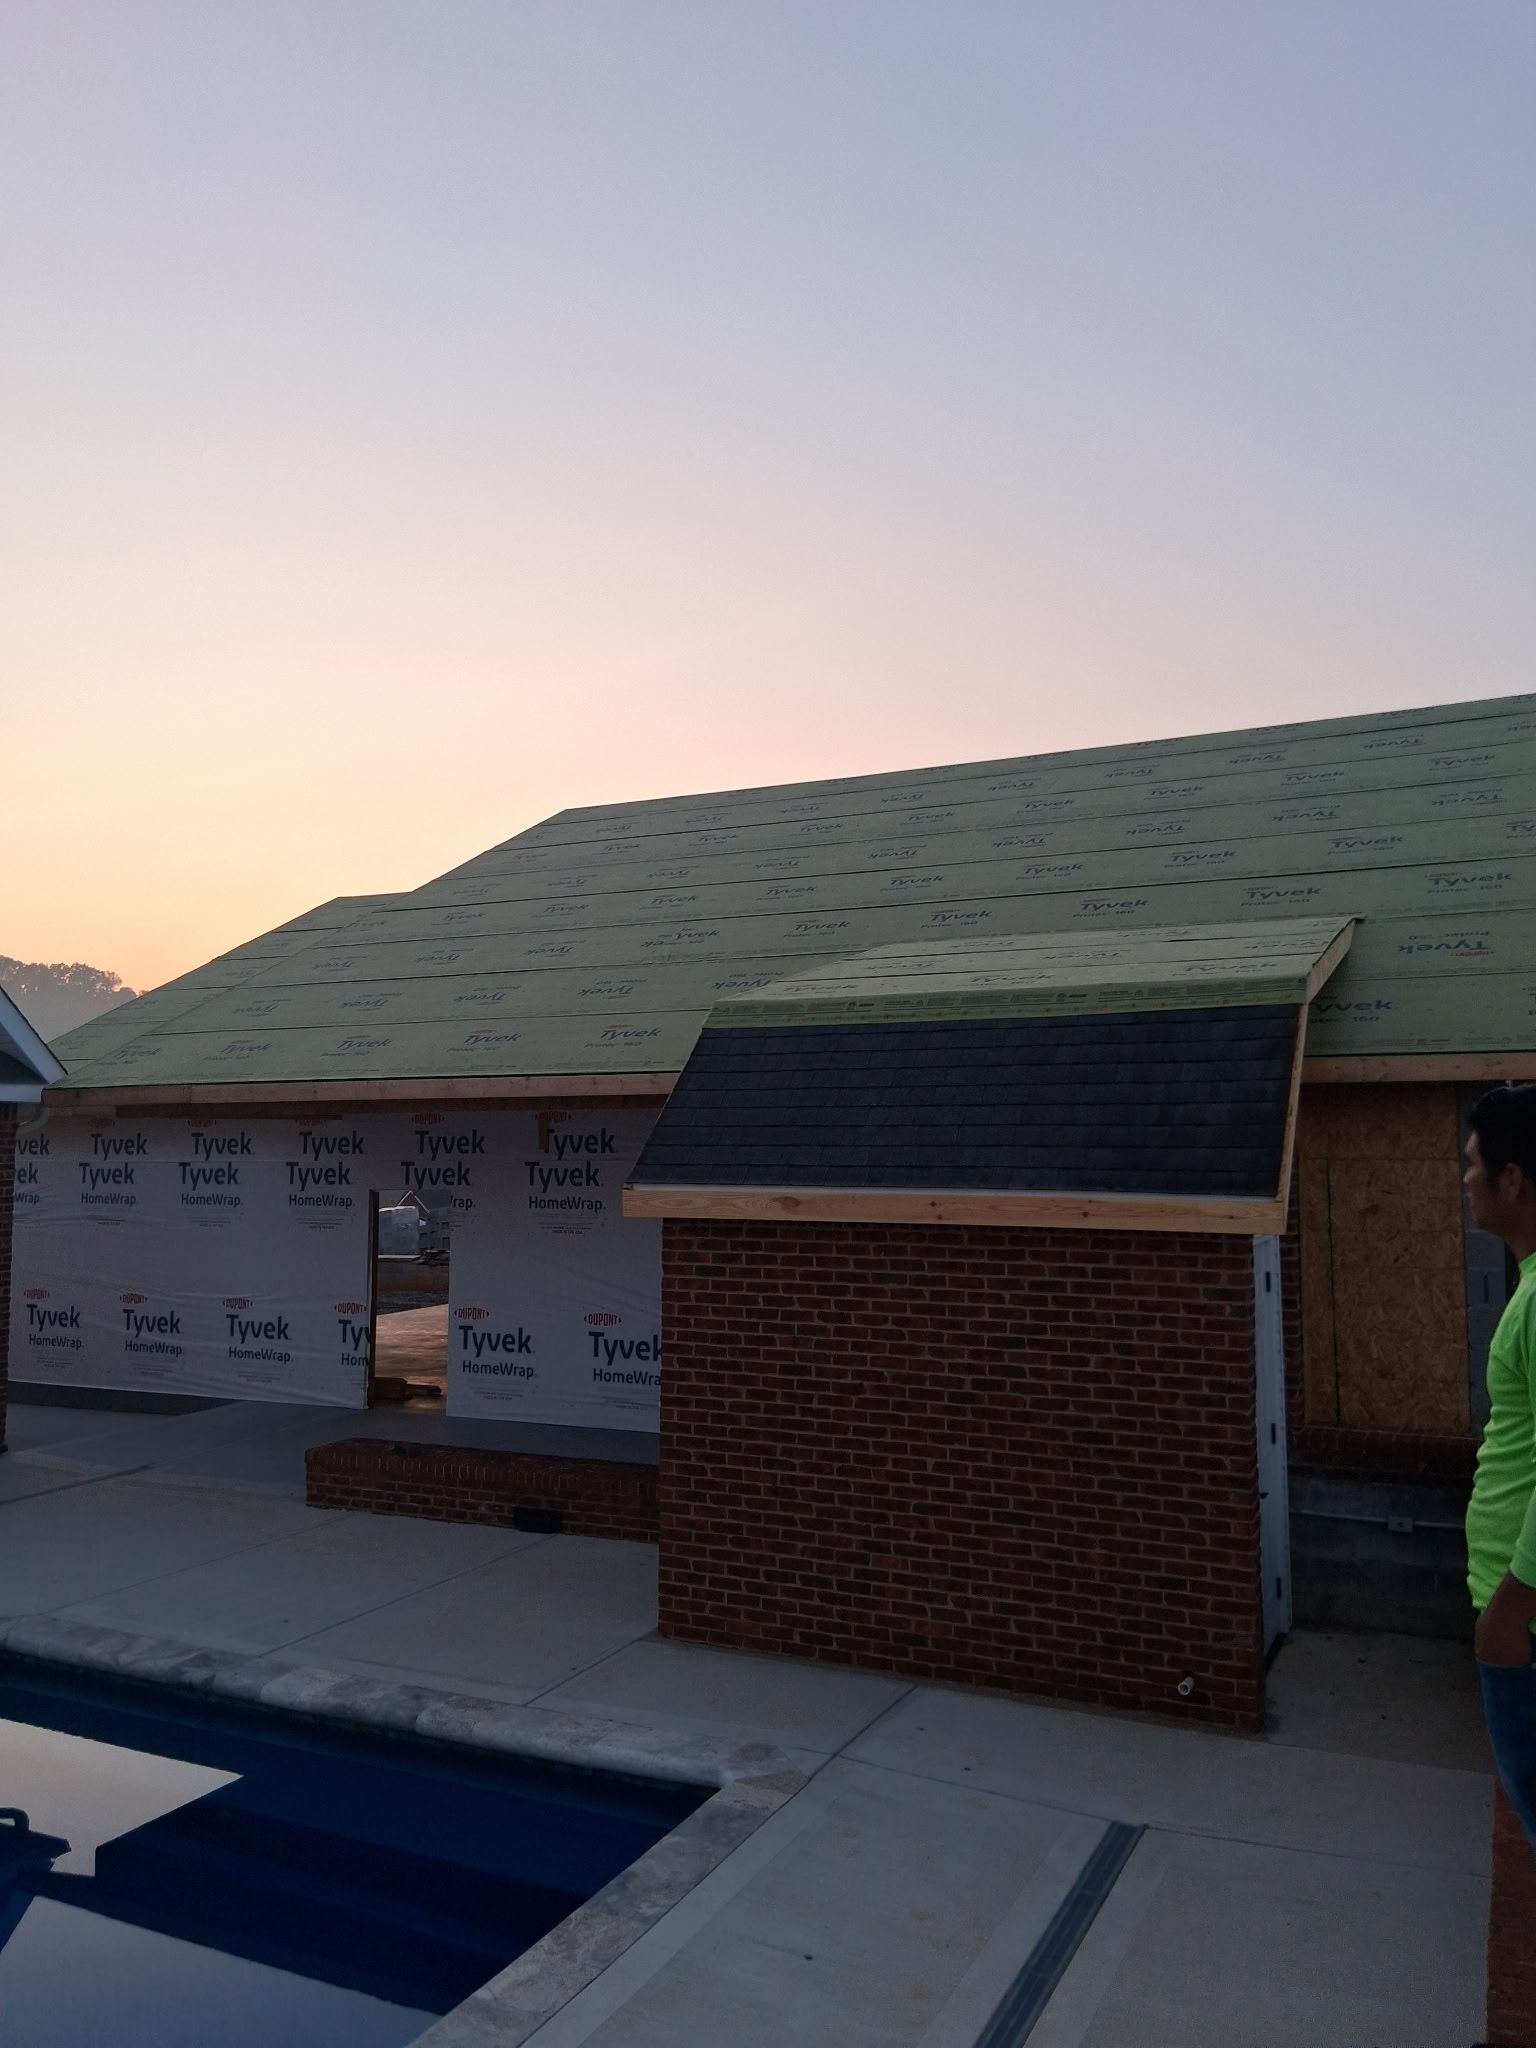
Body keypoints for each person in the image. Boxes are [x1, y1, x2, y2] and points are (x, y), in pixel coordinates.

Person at [1464, 1082, 1536, 1849]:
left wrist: (1509, 1611)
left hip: (1526, 1626)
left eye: (1474, 1163)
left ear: (1513, 1179)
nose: (1466, 1179)